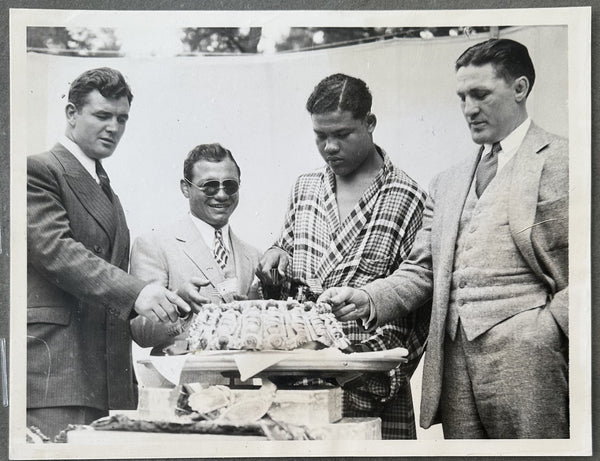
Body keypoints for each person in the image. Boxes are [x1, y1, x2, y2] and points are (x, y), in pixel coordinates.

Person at [320, 39, 569, 439]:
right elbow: (422, 272)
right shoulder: (447, 181)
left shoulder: (564, 160)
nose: (469, 108)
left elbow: (587, 271)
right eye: (462, 97)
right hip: (454, 367)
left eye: (481, 94)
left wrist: (546, 331)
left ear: (520, 89)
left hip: (531, 364)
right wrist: (366, 298)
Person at [256, 73, 430, 439]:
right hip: (294, 385)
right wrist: (277, 255)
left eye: (342, 134)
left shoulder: (408, 196)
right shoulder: (304, 188)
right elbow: (287, 247)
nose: (330, 147)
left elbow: (419, 313)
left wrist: (358, 373)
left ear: (369, 124)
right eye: (320, 136)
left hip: (370, 387)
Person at [27, 67, 190, 439]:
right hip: (56, 371)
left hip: (103, 373)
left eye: (122, 118)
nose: (113, 127)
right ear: (71, 113)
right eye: (102, 116)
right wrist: (137, 292)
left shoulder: (105, 188)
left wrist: (169, 301)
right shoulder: (39, 169)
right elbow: (57, 250)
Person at [130, 143, 261, 354]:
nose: (221, 195)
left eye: (230, 186)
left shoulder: (253, 256)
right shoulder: (153, 245)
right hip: (184, 384)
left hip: (244, 384)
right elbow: (141, 333)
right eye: (209, 186)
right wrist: (180, 305)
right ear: (185, 188)